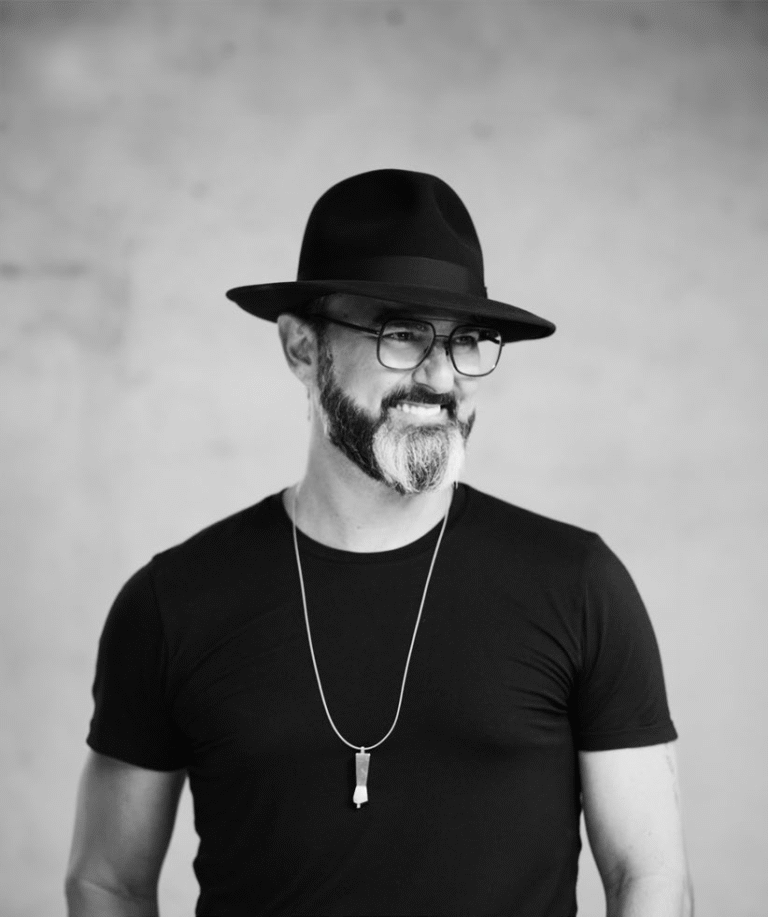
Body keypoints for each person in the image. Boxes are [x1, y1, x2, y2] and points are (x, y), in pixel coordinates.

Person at [66, 169, 693, 917]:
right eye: (401, 333)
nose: (440, 374)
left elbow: (649, 876)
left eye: (467, 340)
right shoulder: (173, 602)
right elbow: (106, 879)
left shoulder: (578, 583)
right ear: (303, 348)